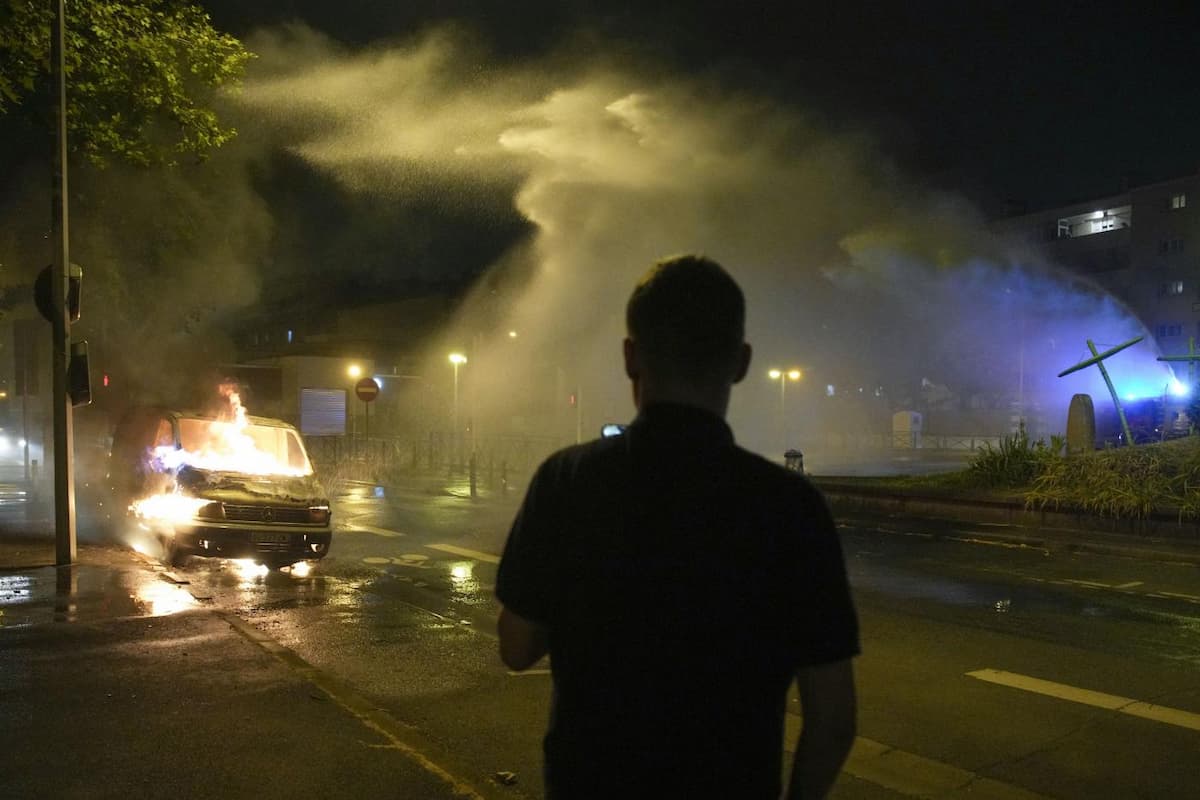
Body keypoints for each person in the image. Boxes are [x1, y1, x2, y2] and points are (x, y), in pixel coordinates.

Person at [495, 254, 859, 799]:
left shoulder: (566, 481)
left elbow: (517, 648)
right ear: (740, 362)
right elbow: (831, 719)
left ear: (630, 357)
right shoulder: (790, 506)